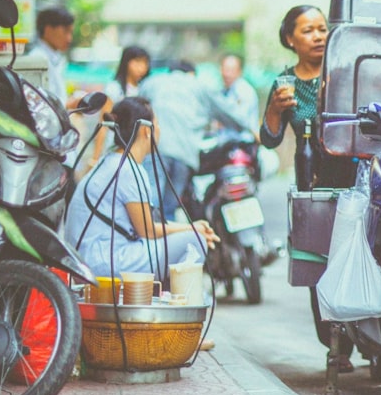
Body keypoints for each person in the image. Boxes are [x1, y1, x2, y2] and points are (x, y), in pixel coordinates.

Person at [260, 4, 358, 373]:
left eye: (322, 28)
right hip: (314, 187)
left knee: (367, 258)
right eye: (308, 30)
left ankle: (379, 344)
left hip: (356, 179)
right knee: (320, 270)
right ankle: (337, 346)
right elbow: (269, 140)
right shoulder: (285, 84)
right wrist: (273, 110)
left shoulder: (345, 72)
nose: (318, 36)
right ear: (290, 39)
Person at [66, 97, 220, 279]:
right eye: (157, 124)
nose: (160, 130)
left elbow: (145, 223)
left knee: (191, 235)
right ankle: (177, 302)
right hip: (105, 262)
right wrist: (192, 230)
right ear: (147, 130)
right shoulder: (128, 170)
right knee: (195, 241)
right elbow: (148, 230)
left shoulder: (111, 162)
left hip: (90, 258)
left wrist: (191, 227)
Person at [138, 59, 249, 221]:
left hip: (156, 151)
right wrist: (252, 129)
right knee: (168, 210)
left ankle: (149, 244)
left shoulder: (152, 83)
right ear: (191, 74)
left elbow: (134, 109)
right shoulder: (199, 85)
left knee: (149, 207)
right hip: (185, 156)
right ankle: (166, 244)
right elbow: (228, 112)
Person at [90, 45, 151, 168]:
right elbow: (103, 123)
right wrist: (95, 157)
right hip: (115, 148)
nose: (142, 67)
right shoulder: (114, 89)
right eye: (138, 62)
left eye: (145, 63)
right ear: (126, 62)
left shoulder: (145, 89)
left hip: (137, 151)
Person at [28, 5, 76, 108]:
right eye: (66, 31)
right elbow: (43, 105)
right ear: (48, 30)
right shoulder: (37, 59)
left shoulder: (55, 58)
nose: (69, 39)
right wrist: (71, 104)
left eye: (71, 32)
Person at [217, 53, 260, 137]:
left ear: (239, 71)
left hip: (243, 143)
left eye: (231, 70)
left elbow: (240, 119)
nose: (227, 74)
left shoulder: (244, 91)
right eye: (224, 69)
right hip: (226, 141)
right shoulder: (223, 90)